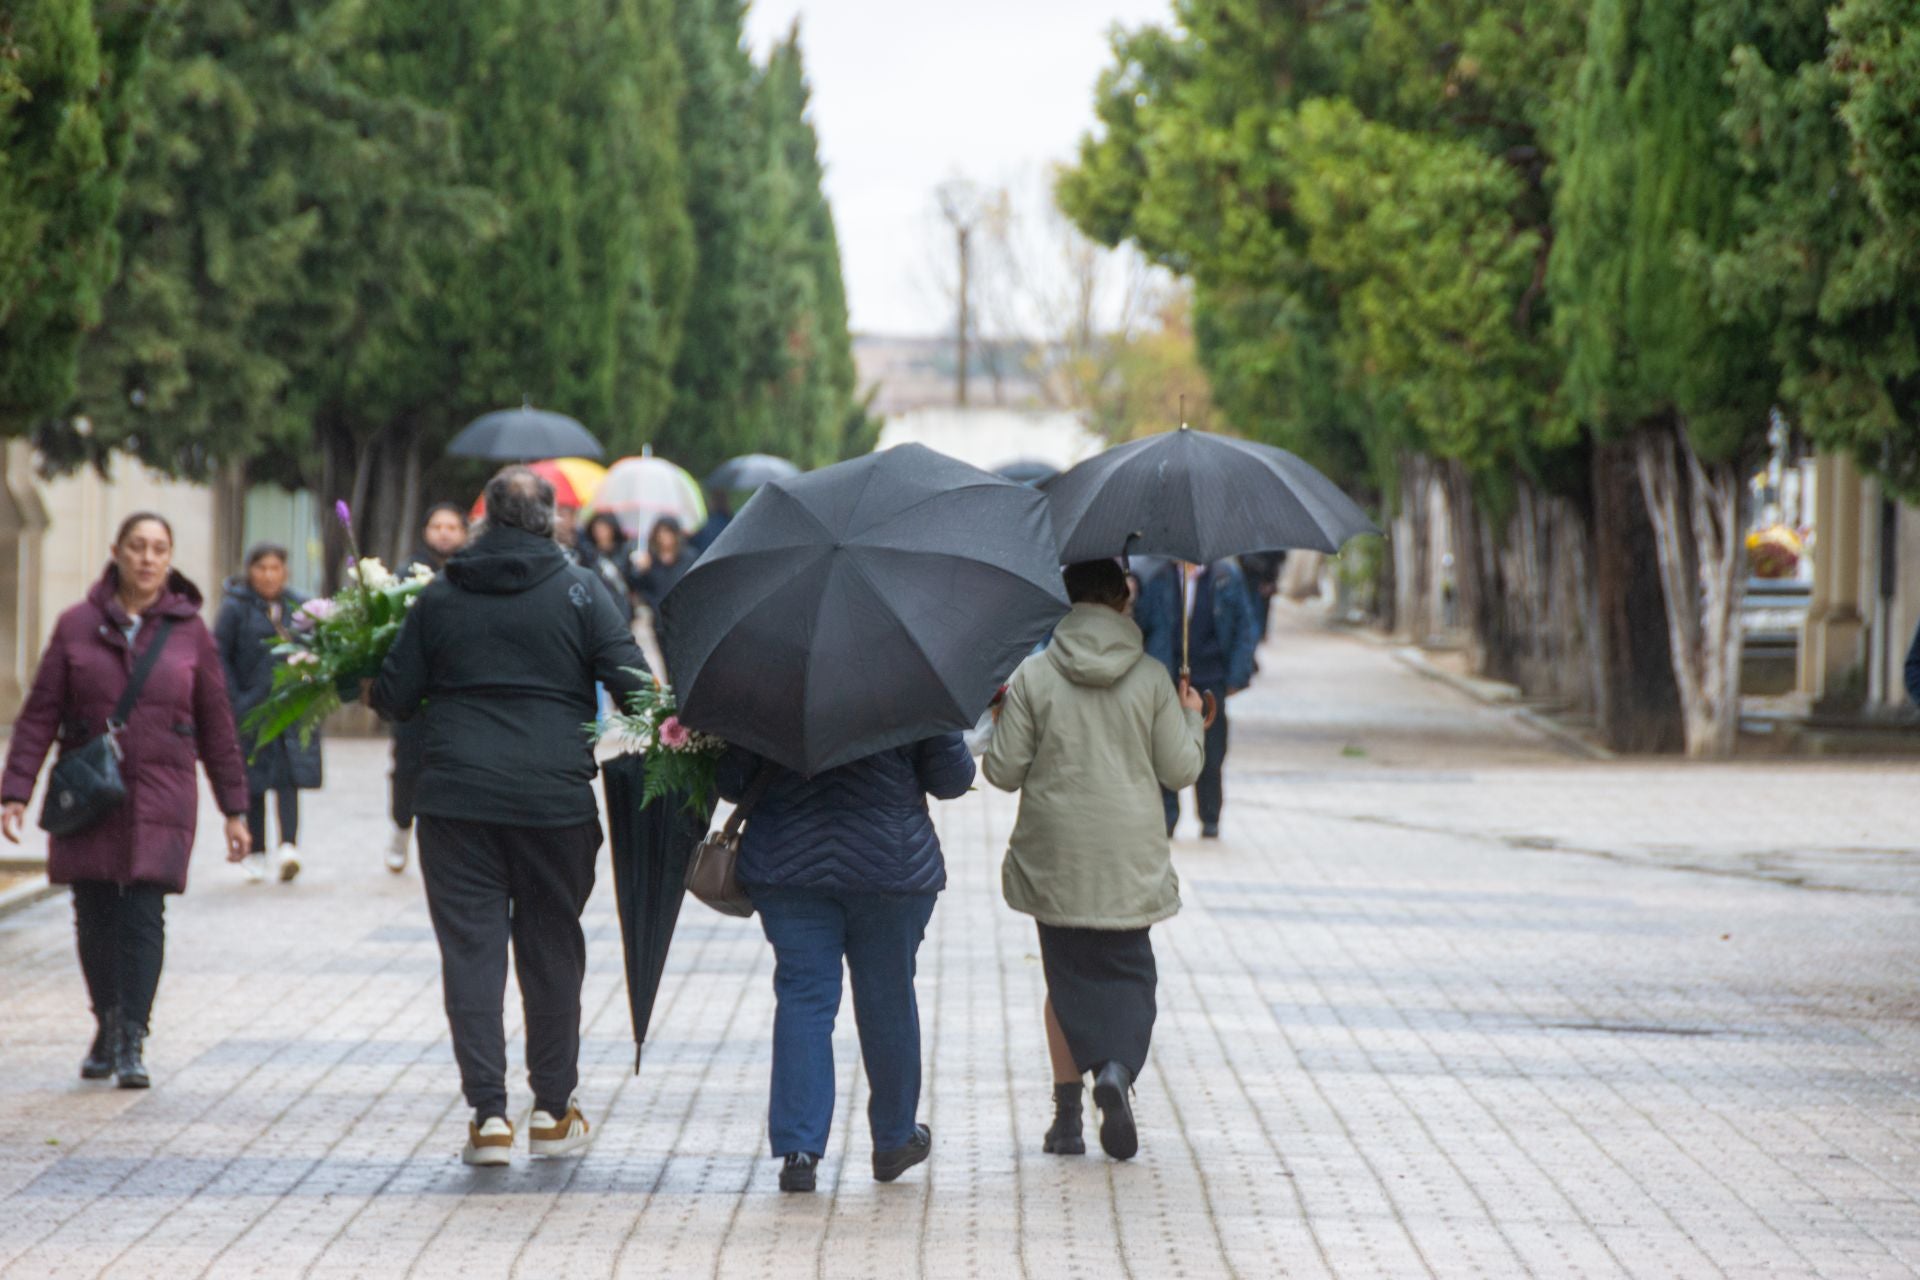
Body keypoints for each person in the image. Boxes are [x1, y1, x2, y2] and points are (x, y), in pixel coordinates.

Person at [373, 467, 651, 1167]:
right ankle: (553, 1111)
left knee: (472, 952)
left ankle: (489, 1117)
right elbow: (636, 689)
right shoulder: (580, 590)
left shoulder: (440, 595)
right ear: (549, 518)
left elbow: (394, 696)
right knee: (551, 947)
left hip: (456, 801)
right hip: (554, 803)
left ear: (485, 519)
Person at [1, 513, 252, 1089]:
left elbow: (217, 725)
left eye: (159, 548)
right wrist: (14, 792)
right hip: (91, 791)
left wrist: (235, 810)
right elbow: (40, 713)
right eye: (137, 546)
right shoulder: (76, 625)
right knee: (93, 911)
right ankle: (107, 1022)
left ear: (170, 558)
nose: (147, 558)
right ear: (116, 551)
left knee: (143, 912)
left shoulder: (191, 632)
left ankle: (133, 1038)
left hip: (163, 792)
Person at [983, 559, 1204, 1161]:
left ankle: (1066, 1121)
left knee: (1066, 981)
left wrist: (1002, 720)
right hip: (1128, 856)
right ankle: (1115, 1070)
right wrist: (1191, 715)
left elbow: (1002, 772)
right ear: (1123, 600)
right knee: (1131, 976)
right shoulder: (1152, 677)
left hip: (1055, 855)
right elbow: (1181, 769)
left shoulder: (1033, 675)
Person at [714, 733, 975, 1194]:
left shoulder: (772, 688)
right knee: (888, 999)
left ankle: (800, 1150)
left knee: (804, 999)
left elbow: (732, 782)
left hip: (788, 866)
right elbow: (952, 780)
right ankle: (895, 1138)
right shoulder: (910, 688)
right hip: (889, 865)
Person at [215, 543, 322, 883]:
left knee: (289, 776)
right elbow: (219, 656)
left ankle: (289, 845)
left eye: (275, 568)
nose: (269, 575)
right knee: (254, 779)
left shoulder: (300, 607)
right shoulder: (234, 608)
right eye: (261, 568)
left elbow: (318, 647)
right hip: (250, 707)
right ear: (250, 571)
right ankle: (257, 849)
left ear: (285, 572)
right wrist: (236, 699)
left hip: (290, 706)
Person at [1134, 557, 1261, 838]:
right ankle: (1168, 815)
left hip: (1210, 675)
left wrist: (1237, 675)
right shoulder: (1158, 577)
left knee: (1212, 750)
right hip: (1167, 676)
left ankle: (1210, 815)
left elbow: (1244, 625)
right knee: (1164, 745)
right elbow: (1143, 623)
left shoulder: (1225, 576)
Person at [386, 503, 468, 874]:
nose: (444, 533)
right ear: (425, 531)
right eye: (437, 526)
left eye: (452, 526)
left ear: (464, 533)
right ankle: (401, 827)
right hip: (415, 690)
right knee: (406, 765)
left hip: (457, 691)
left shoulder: (472, 572)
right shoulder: (407, 573)